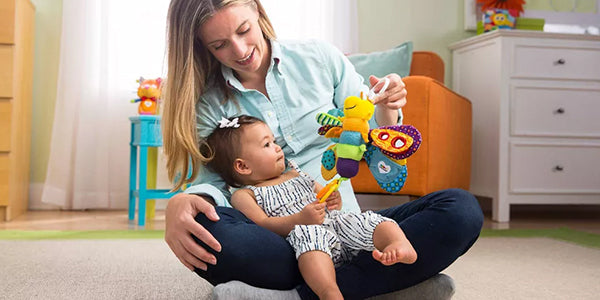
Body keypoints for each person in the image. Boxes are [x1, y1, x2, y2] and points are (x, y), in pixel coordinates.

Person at [161, 0, 484, 299]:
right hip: (277, 242)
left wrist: (388, 107)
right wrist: (185, 202)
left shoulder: (318, 57)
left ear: (257, 11)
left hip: (349, 228)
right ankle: (384, 286)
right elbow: (214, 187)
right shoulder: (208, 104)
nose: (241, 49)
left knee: (460, 211)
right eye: (220, 45)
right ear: (203, 47)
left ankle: (299, 295)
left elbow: (369, 129)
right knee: (209, 232)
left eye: (244, 30)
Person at [202, 115, 418, 299]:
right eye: (267, 145)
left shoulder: (294, 173)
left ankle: (398, 244)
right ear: (243, 166)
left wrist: (333, 199)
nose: (277, 147)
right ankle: (329, 292)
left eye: (274, 140)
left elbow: (324, 196)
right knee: (310, 238)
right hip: (307, 237)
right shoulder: (244, 195)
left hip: (335, 225)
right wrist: (298, 220)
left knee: (365, 219)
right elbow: (262, 224)